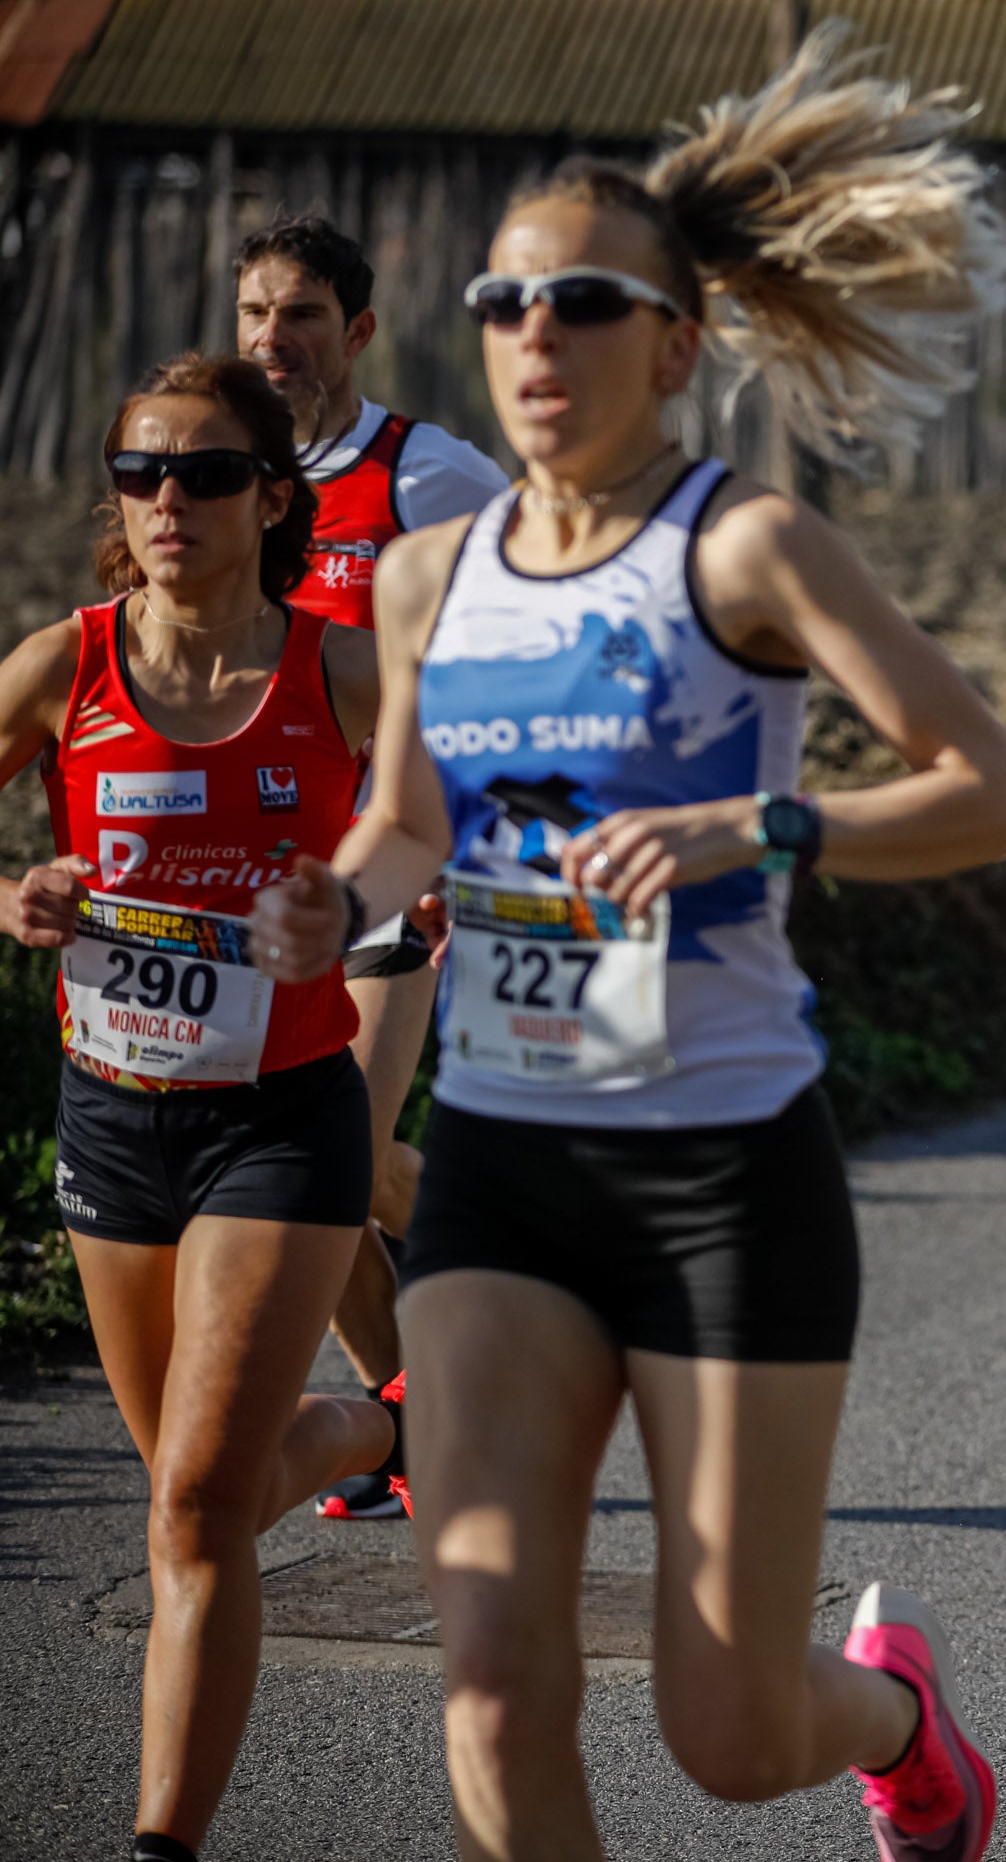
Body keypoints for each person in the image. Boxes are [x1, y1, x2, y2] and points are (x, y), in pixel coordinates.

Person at [249, 32, 1006, 1862]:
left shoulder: (747, 548)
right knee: (496, 1682)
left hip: (720, 1180)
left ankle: (904, 1720)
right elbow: (408, 826)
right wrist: (332, 902)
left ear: (673, 343)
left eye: (583, 301)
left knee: (731, 1730)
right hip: (508, 1172)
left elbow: (989, 789)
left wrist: (765, 825)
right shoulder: (430, 573)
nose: (535, 333)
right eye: (506, 298)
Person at [0, 354, 399, 1862]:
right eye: (140, 472)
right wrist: (10, 896)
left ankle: (163, 1840)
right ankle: (373, 1427)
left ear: (271, 497)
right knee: (195, 1484)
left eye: (209, 473)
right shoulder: (68, 665)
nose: (169, 499)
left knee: (189, 1508)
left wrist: (361, 906)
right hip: (109, 1112)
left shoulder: (339, 673)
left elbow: (459, 821)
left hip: (280, 1117)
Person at [231, 211, 514, 1522]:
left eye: (297, 316)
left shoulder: (430, 474)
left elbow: (518, 653)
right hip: (250, 882)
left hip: (397, 870)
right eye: (252, 316)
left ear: (354, 333)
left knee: (330, 1151)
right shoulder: (220, 475)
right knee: (323, 1160)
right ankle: (421, 1420)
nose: (271, 340)